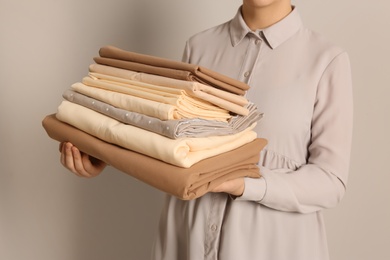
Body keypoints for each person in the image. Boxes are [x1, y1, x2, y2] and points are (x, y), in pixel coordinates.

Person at [60, 0, 353, 259]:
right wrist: (106, 154)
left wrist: (246, 184)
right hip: (187, 239)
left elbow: (330, 182)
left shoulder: (326, 60)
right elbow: (174, 144)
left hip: (275, 245)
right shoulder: (199, 47)